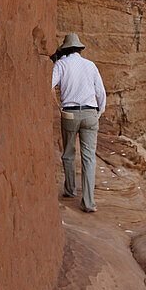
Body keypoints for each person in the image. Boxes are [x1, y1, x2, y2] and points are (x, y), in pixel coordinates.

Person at [51, 32, 106, 213]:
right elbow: (101, 92)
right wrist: (99, 112)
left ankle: (70, 190)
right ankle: (89, 203)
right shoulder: (90, 65)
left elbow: (50, 84)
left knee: (68, 153)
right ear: (80, 49)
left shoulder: (61, 64)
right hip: (90, 113)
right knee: (89, 159)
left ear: (65, 49)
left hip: (70, 114)